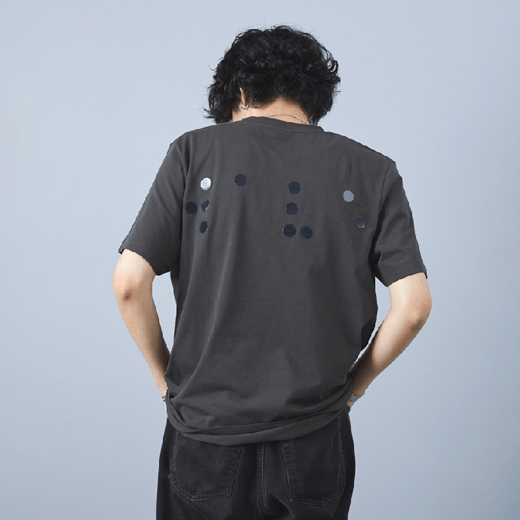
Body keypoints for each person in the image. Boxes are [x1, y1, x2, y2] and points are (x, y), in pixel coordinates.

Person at [113, 24, 432, 520]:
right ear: (313, 98)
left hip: (204, 436)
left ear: (239, 91)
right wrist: (355, 388)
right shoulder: (374, 172)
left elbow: (130, 283)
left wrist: (164, 380)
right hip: (314, 438)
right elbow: (413, 308)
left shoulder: (194, 152)